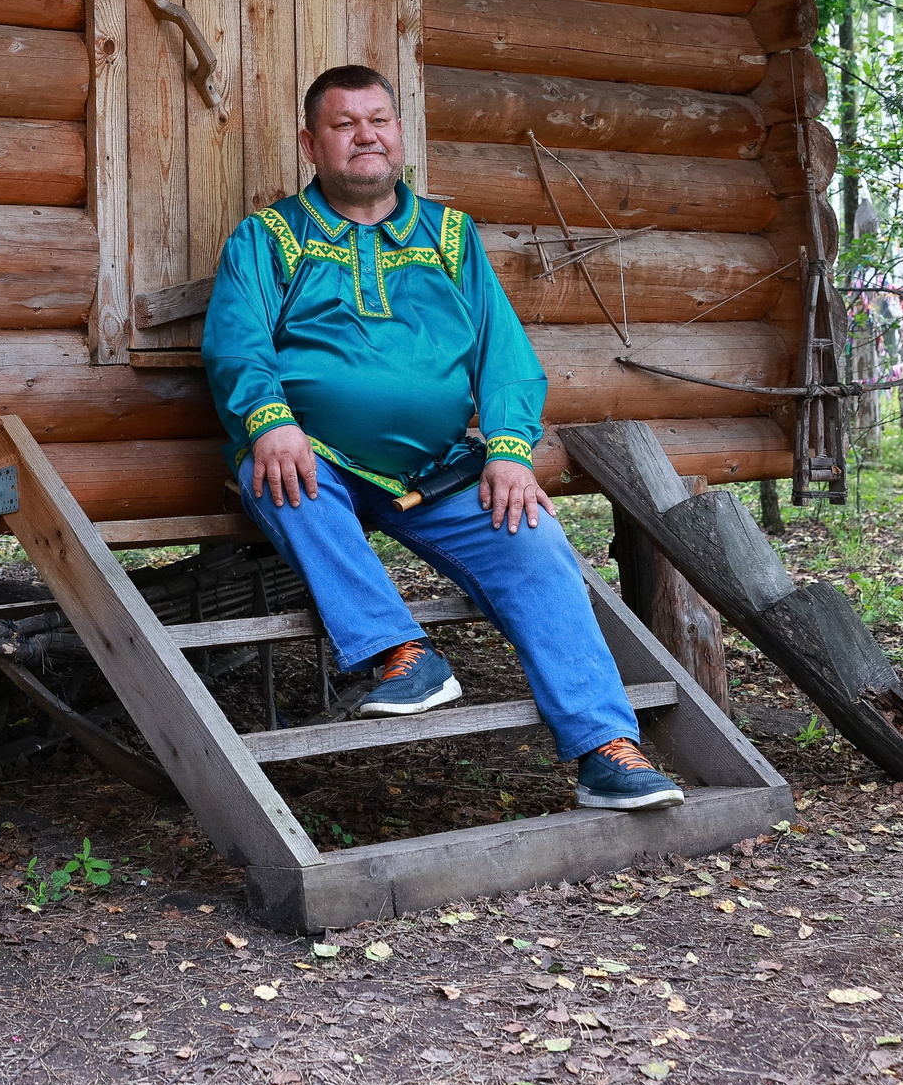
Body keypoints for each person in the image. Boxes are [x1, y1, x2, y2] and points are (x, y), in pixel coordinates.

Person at [202, 64, 685, 812]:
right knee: (283, 479)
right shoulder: (268, 239)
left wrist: (510, 450)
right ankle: (403, 653)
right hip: (317, 458)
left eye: (379, 120)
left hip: (438, 469)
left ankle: (605, 749)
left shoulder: (451, 237)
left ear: (399, 134)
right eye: (344, 124)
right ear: (310, 143)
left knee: (533, 540)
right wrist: (270, 419)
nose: (365, 135)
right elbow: (238, 345)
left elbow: (505, 357)